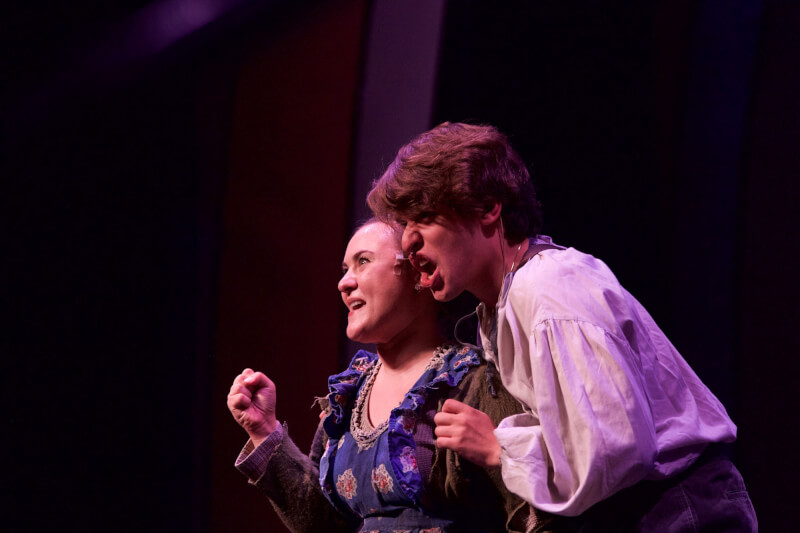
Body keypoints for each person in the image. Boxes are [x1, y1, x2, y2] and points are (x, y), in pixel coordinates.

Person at [367, 122, 757, 530]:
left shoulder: (549, 289)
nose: (408, 241)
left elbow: (614, 448)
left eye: (424, 217)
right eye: (405, 224)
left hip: (676, 508)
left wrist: (500, 446)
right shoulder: (505, 304)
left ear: (487, 207)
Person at [227, 219, 562, 533]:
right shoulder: (347, 397)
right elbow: (324, 523)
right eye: (345, 269)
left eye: (363, 262)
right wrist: (264, 430)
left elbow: (539, 514)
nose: (344, 283)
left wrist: (499, 457)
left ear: (418, 273)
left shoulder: (474, 382)